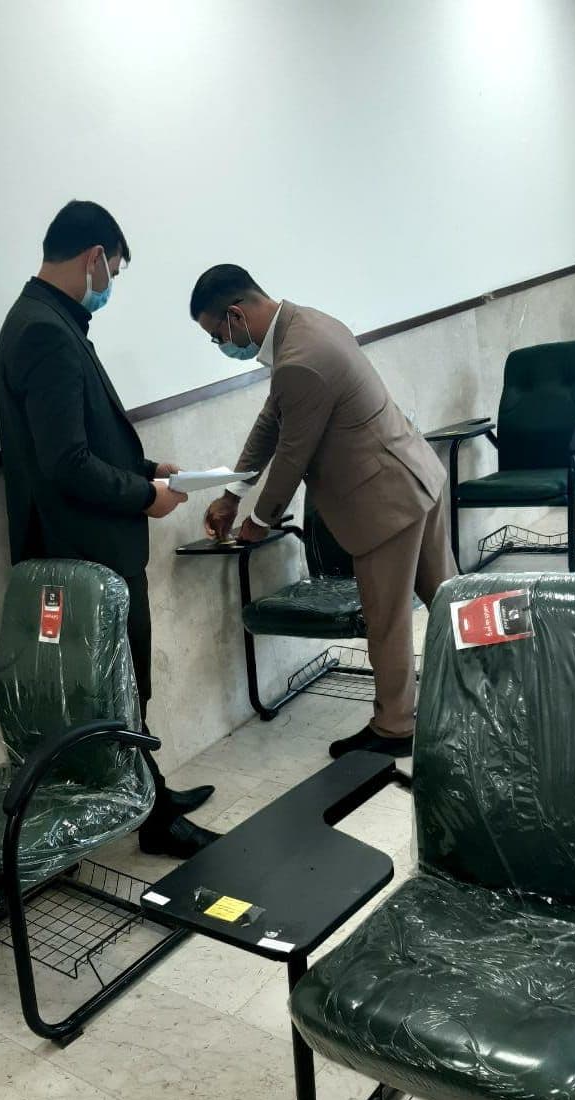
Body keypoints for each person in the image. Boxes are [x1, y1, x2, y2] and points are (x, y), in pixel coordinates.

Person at [0, 200, 217, 857]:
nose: (110, 284)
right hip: (86, 552)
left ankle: (152, 797)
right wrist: (144, 496)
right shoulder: (44, 332)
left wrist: (147, 469)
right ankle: (152, 819)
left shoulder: (46, 321)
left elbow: (77, 440)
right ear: (95, 257)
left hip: (86, 546)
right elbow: (66, 465)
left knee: (124, 685)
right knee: (114, 689)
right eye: (113, 270)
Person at [190, 265, 457, 759]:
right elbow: (272, 420)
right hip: (415, 473)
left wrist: (258, 522)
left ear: (235, 315)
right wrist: (232, 493)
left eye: (217, 335)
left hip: (384, 503)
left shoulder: (300, 359)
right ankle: (492, 686)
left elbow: (293, 454)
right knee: (451, 601)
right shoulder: (307, 324)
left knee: (387, 620)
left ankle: (395, 727)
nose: (222, 345)